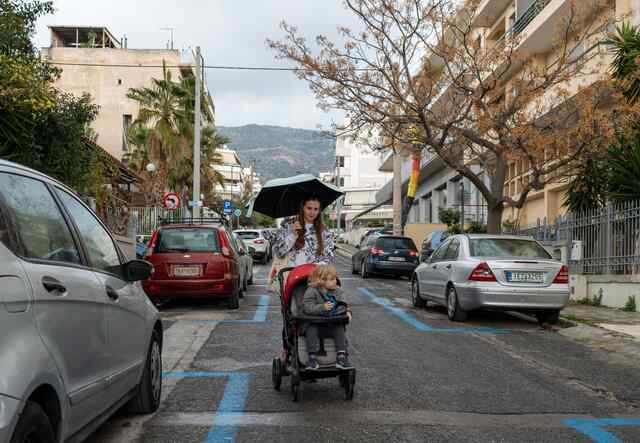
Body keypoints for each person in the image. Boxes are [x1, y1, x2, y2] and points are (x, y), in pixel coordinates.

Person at [302, 265, 353, 370]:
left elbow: (344, 304)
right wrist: (322, 307)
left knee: (339, 327)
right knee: (311, 329)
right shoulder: (312, 291)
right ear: (321, 281)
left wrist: (347, 311)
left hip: (331, 323)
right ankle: (312, 358)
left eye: (335, 278)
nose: (335, 281)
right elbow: (307, 307)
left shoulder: (338, 291)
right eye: (332, 279)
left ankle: (341, 356)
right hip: (315, 322)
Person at [271, 195, 335, 266]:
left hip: (314, 275)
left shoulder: (324, 232)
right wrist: (293, 235)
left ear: (319, 211)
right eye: (309, 208)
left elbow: (329, 258)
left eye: (316, 209)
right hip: (290, 274)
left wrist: (312, 267)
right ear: (303, 208)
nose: (312, 212)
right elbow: (277, 253)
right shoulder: (288, 225)